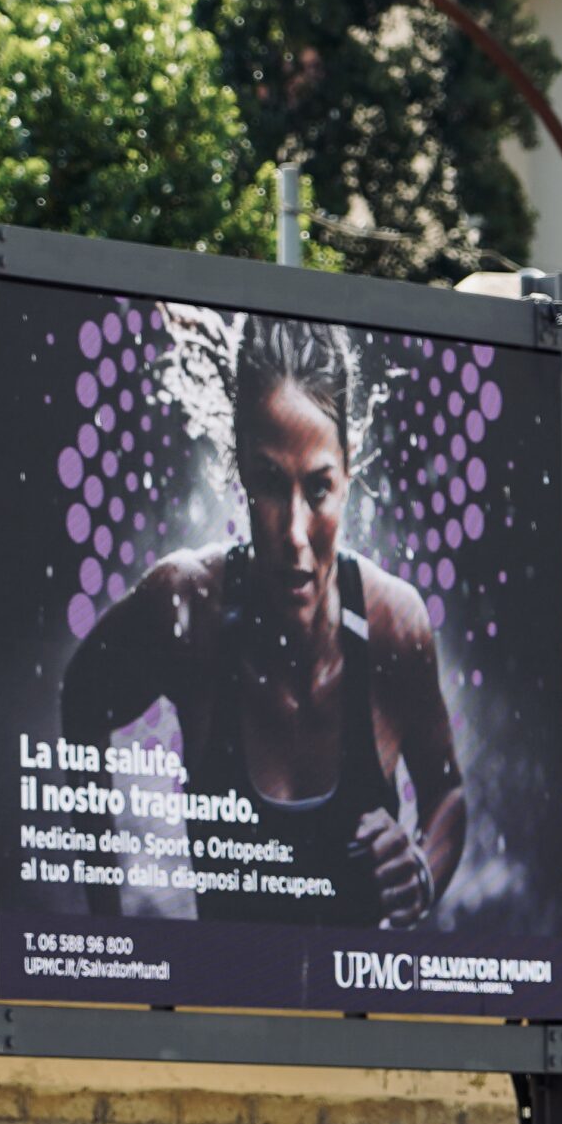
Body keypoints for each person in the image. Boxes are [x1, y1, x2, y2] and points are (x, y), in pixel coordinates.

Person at [61, 314, 465, 928]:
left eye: (319, 489)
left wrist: (424, 875)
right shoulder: (187, 606)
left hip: (359, 1016)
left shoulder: (392, 623)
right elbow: (80, 700)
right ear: (240, 473)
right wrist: (107, 925)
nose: (296, 533)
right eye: (271, 484)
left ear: (350, 474)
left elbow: (447, 793)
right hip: (225, 1013)